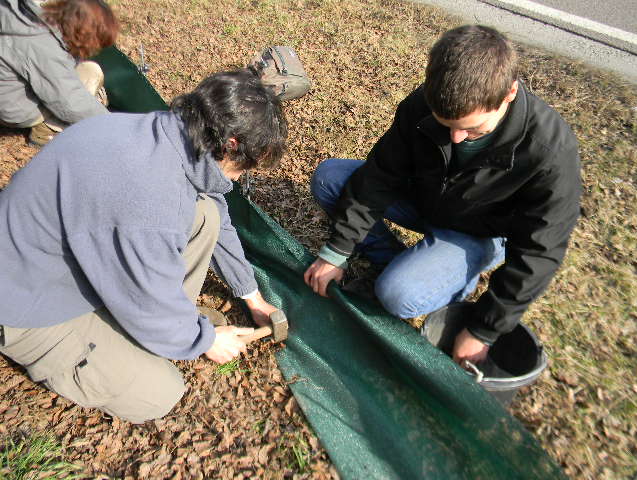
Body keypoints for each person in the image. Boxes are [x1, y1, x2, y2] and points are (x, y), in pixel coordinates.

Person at [0, 69, 288, 423]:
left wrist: (250, 295)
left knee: (206, 214)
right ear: (230, 144)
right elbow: (146, 300)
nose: (242, 175)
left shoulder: (161, 132)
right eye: (247, 167)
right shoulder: (151, 203)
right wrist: (205, 340)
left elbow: (216, 209)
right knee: (159, 393)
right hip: (27, 304)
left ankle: (158, 329)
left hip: (58, 254)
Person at [304, 25, 581, 368]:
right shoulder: (422, 103)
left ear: (509, 93)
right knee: (331, 178)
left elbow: (540, 252)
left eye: (473, 128)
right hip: (423, 198)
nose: (457, 137)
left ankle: (447, 274)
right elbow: (380, 174)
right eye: (445, 123)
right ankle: (393, 259)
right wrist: (337, 251)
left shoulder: (549, 150)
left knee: (397, 295)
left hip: (479, 231)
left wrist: (482, 330)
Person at [0, 0, 119, 146]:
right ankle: (48, 130)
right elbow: (71, 102)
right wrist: (114, 126)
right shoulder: (43, 46)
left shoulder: (23, 17)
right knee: (90, 73)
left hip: (6, 92)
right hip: (15, 110)